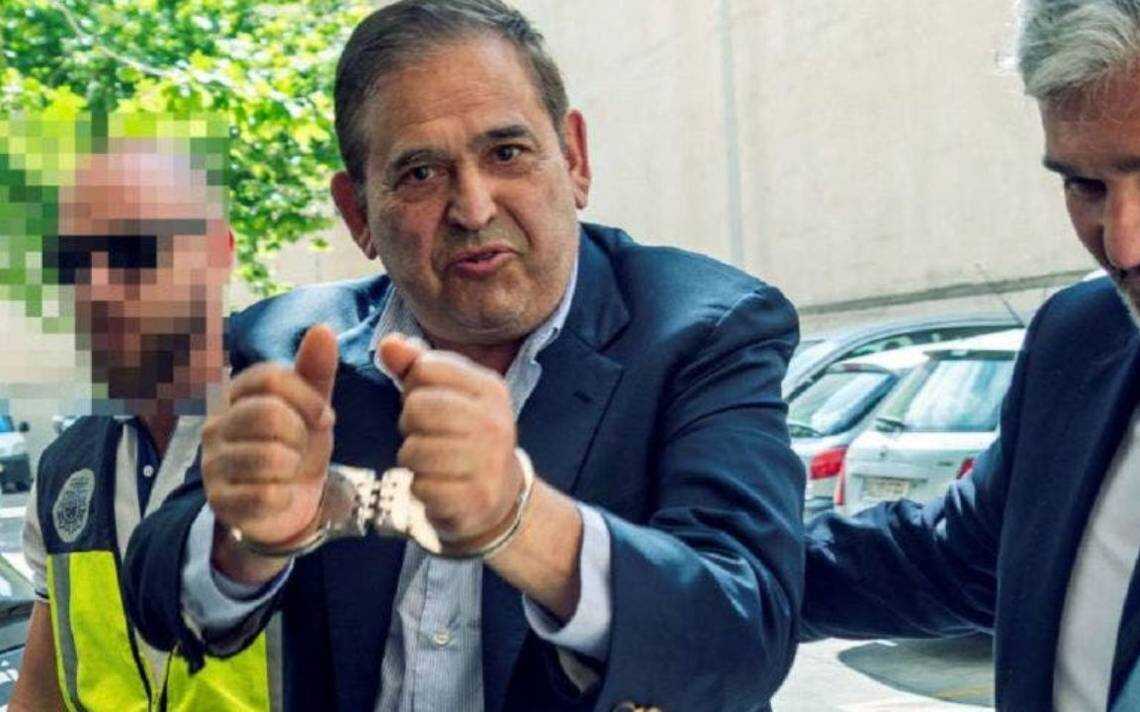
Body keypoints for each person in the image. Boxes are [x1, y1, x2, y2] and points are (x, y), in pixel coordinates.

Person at [123, 1, 806, 710]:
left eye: (506, 153)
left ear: (574, 159)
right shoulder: (286, 349)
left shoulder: (702, 330)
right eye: (420, 173)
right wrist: (245, 542)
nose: (473, 208)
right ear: (358, 214)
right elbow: (154, 591)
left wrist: (521, 520)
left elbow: (747, 633)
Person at [800, 2, 1140, 710]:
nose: (1122, 244)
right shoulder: (1079, 340)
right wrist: (641, 567)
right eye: (1085, 186)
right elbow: (954, 559)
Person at [8, 117, 274, 711]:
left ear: (218, 252)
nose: (97, 288)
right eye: (74, 260)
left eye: (134, 250)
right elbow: (39, 697)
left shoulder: (295, 442)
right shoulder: (64, 470)